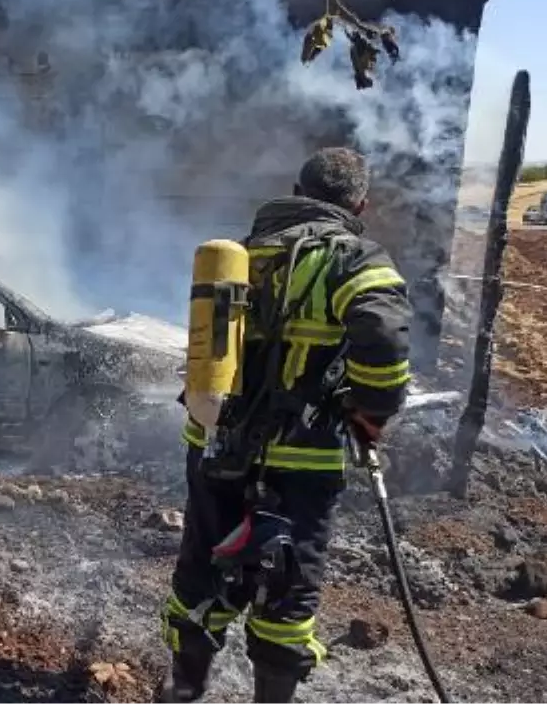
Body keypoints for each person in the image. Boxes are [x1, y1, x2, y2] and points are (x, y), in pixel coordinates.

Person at [158, 147, 413, 704]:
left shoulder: (242, 253)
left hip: (214, 447)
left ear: (297, 192)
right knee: (286, 596)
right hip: (302, 461)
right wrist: (370, 411)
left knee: (201, 578)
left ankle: (182, 693)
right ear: (360, 204)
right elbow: (386, 340)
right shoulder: (355, 259)